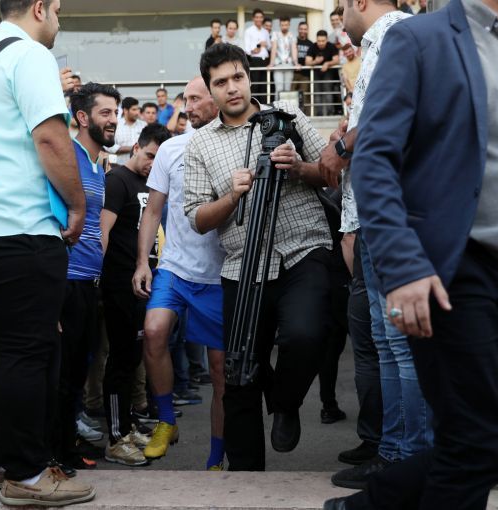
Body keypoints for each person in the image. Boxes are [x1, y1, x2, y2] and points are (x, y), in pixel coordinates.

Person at [322, 0, 498, 507]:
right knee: (474, 445)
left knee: (494, 444)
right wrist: (404, 268)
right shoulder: (419, 39)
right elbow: (375, 159)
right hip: (451, 271)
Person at [0, 0, 95, 505]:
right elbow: (51, 138)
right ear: (39, 8)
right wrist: (78, 205)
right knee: (27, 351)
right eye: (58, 10)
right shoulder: (30, 55)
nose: (58, 21)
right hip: (18, 226)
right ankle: (28, 475)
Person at [184, 43, 334, 471]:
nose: (232, 88)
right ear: (210, 89)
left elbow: (331, 173)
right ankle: (245, 479)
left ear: (249, 78)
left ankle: (285, 403)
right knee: (240, 373)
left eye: (237, 77)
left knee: (306, 335)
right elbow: (197, 218)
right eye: (221, 82)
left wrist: (298, 167)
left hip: (304, 248)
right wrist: (233, 196)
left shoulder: (288, 116)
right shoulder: (200, 144)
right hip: (242, 265)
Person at [322, 0, 432, 491]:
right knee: (389, 343)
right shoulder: (379, 41)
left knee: (401, 343)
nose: (340, 17)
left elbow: (398, 111)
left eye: (342, 6)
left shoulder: (396, 31)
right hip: (373, 214)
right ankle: (393, 454)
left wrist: (342, 146)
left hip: (390, 213)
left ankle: (410, 460)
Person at [131, 77, 226, 470]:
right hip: (174, 267)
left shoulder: (235, 146)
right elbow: (153, 210)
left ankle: (217, 456)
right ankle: (167, 421)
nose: (187, 106)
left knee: (219, 372)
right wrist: (143, 262)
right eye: (186, 99)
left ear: (217, 101)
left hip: (219, 275)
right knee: (153, 332)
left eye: (196, 99)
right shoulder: (170, 148)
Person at [53, 83, 124, 475]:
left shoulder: (98, 164)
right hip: (66, 282)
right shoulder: (68, 155)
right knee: (63, 376)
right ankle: (56, 456)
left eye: (115, 112)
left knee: (77, 373)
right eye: (105, 113)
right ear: (82, 117)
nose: (113, 120)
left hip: (89, 283)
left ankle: (66, 446)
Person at [100, 123, 171, 466]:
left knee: (131, 360)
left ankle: (127, 427)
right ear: (137, 147)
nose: (152, 164)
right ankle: (116, 438)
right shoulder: (117, 181)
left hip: (143, 285)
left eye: (159, 159)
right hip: (118, 283)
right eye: (149, 155)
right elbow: (103, 231)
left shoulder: (149, 184)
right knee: (120, 360)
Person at [305, 30, 339, 116]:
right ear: (316, 39)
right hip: (316, 74)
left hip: (328, 73)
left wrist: (327, 63)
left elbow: (336, 60)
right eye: (319, 41)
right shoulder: (313, 47)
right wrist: (316, 61)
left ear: (327, 40)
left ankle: (330, 113)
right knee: (317, 93)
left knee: (328, 92)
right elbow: (307, 62)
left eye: (323, 41)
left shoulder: (331, 46)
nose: (320, 43)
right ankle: (319, 113)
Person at [106, 96, 146, 164]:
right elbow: (109, 146)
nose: (137, 112)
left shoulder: (144, 125)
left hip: (140, 166)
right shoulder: (115, 124)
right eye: (134, 110)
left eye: (138, 109)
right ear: (125, 110)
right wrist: (133, 148)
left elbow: (147, 145)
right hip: (119, 166)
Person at [268, 16, 299, 100]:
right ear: (280, 25)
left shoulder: (292, 35)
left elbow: (294, 49)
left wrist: (296, 63)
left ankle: (286, 107)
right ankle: (277, 107)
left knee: (287, 89)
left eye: (286, 25)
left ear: (289, 25)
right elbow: (273, 49)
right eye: (282, 25)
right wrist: (271, 63)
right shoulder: (275, 34)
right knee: (279, 88)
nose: (284, 27)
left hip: (289, 65)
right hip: (278, 64)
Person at [244, 9, 271, 102]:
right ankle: (254, 107)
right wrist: (256, 49)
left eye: (260, 17)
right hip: (255, 60)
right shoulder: (249, 31)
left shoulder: (265, 32)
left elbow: (270, 47)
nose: (259, 19)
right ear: (253, 18)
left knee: (264, 86)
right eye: (257, 17)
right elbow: (247, 49)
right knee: (255, 85)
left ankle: (264, 107)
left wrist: (265, 44)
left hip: (265, 60)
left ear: (263, 18)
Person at [292, 21, 313, 112]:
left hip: (305, 74)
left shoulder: (311, 44)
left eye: (305, 29)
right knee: (292, 93)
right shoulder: (294, 41)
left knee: (304, 95)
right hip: (293, 73)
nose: (303, 31)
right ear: (298, 29)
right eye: (301, 29)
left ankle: (304, 114)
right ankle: (292, 113)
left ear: (307, 30)